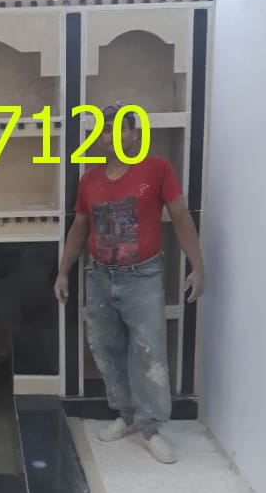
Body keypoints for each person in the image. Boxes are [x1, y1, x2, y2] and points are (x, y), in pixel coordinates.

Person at [53, 102, 206, 464]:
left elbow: (181, 218)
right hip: (99, 277)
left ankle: (151, 427)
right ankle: (125, 414)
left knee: (149, 351)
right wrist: (63, 271)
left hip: (143, 278)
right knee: (106, 349)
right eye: (104, 130)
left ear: (135, 134)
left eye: (119, 128)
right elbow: (79, 227)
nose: (110, 136)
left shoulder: (157, 169)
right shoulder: (89, 180)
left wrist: (198, 267)